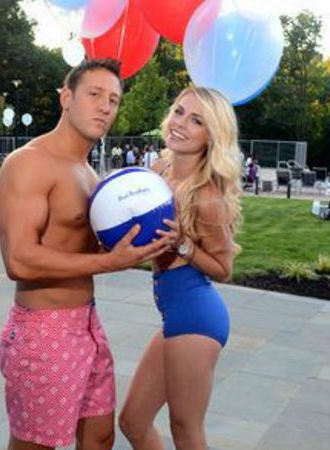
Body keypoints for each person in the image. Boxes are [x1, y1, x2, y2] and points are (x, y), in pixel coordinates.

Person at [0, 58, 171, 450]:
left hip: (87, 325)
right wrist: (109, 262)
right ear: (66, 98)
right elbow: (19, 260)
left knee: (100, 437)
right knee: (35, 446)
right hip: (44, 331)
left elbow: (84, 247)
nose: (105, 107)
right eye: (94, 94)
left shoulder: (89, 174)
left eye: (113, 100)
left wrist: (147, 234)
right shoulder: (28, 163)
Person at [119, 87, 242, 450]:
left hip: (197, 318)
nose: (181, 123)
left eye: (196, 120)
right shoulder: (158, 170)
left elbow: (223, 268)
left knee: (186, 430)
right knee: (133, 421)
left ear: (211, 136)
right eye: (178, 112)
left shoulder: (207, 195)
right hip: (173, 314)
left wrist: (183, 244)